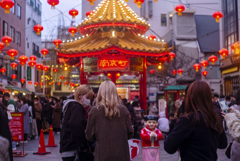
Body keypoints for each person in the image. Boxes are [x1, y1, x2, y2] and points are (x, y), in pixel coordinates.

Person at [164, 81, 227, 161]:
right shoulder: (215, 117)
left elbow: (169, 147)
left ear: (190, 97)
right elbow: (223, 144)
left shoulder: (188, 119)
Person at [86, 81, 134, 161]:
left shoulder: (94, 111)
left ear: (100, 93)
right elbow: (130, 133)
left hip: (102, 154)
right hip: (121, 154)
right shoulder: (123, 110)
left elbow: (89, 135)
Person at [60, 84, 93, 161]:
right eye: (87, 98)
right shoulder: (77, 107)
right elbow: (75, 125)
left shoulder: (71, 106)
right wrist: (83, 145)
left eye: (90, 98)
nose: (89, 101)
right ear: (80, 95)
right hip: (72, 148)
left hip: (67, 147)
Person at [222, 88, 240, 161]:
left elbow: (237, 133)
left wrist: (230, 118)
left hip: (237, 148)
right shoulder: (234, 109)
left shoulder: (234, 108)